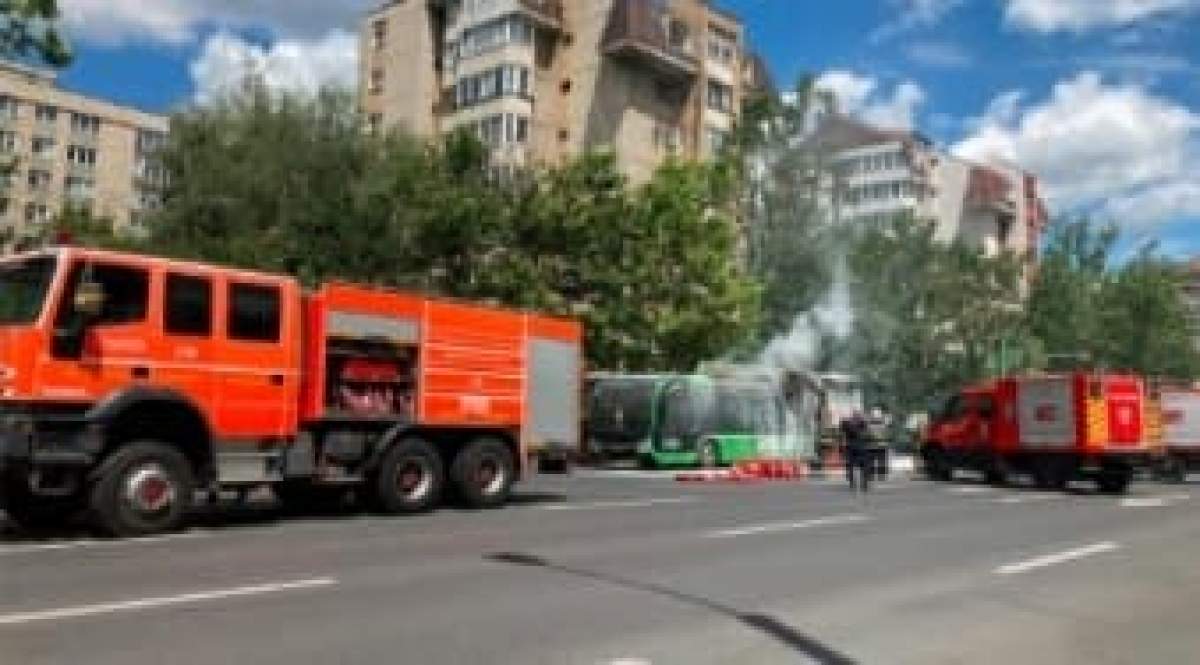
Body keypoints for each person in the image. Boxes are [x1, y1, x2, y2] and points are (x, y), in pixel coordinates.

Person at [840, 410, 872, 493]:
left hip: (851, 447)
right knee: (864, 466)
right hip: (861, 448)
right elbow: (868, 435)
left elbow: (842, 428)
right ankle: (864, 484)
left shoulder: (848, 425)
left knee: (850, 466)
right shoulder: (862, 425)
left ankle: (852, 483)